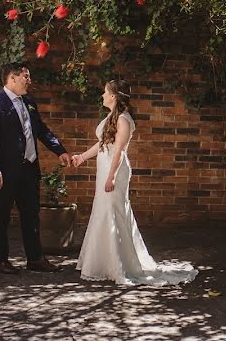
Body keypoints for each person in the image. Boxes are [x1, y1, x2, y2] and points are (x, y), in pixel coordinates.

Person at [72, 79, 197, 285]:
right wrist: (82, 157)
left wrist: (111, 176)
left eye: (105, 92)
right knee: (103, 211)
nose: (102, 96)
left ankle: (119, 263)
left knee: (114, 212)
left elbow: (119, 151)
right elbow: (103, 144)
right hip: (105, 168)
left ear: (113, 96)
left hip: (115, 171)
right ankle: (101, 262)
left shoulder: (123, 120)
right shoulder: (112, 117)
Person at [0, 62, 71, 274]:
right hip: (4, 172)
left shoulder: (29, 102)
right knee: (0, 215)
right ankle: (0, 260)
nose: (29, 81)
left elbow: (41, 130)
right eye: (26, 77)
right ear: (12, 78)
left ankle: (35, 258)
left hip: (29, 170)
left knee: (31, 214)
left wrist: (60, 151)